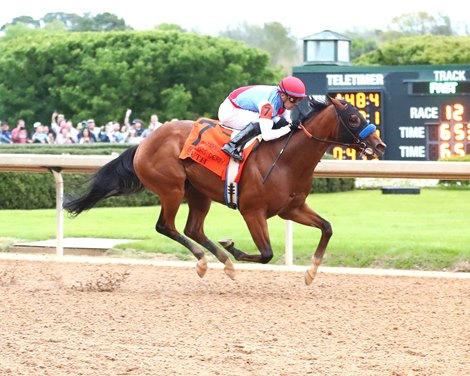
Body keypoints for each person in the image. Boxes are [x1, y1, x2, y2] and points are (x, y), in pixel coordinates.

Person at [218, 76, 307, 161]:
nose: (296, 103)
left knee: (280, 122)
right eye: (293, 99)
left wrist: (292, 126)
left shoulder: (281, 98)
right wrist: (289, 127)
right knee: (268, 123)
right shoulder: (268, 105)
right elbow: (267, 136)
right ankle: (231, 146)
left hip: (240, 107)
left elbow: (287, 122)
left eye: (299, 100)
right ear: (283, 95)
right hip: (230, 112)